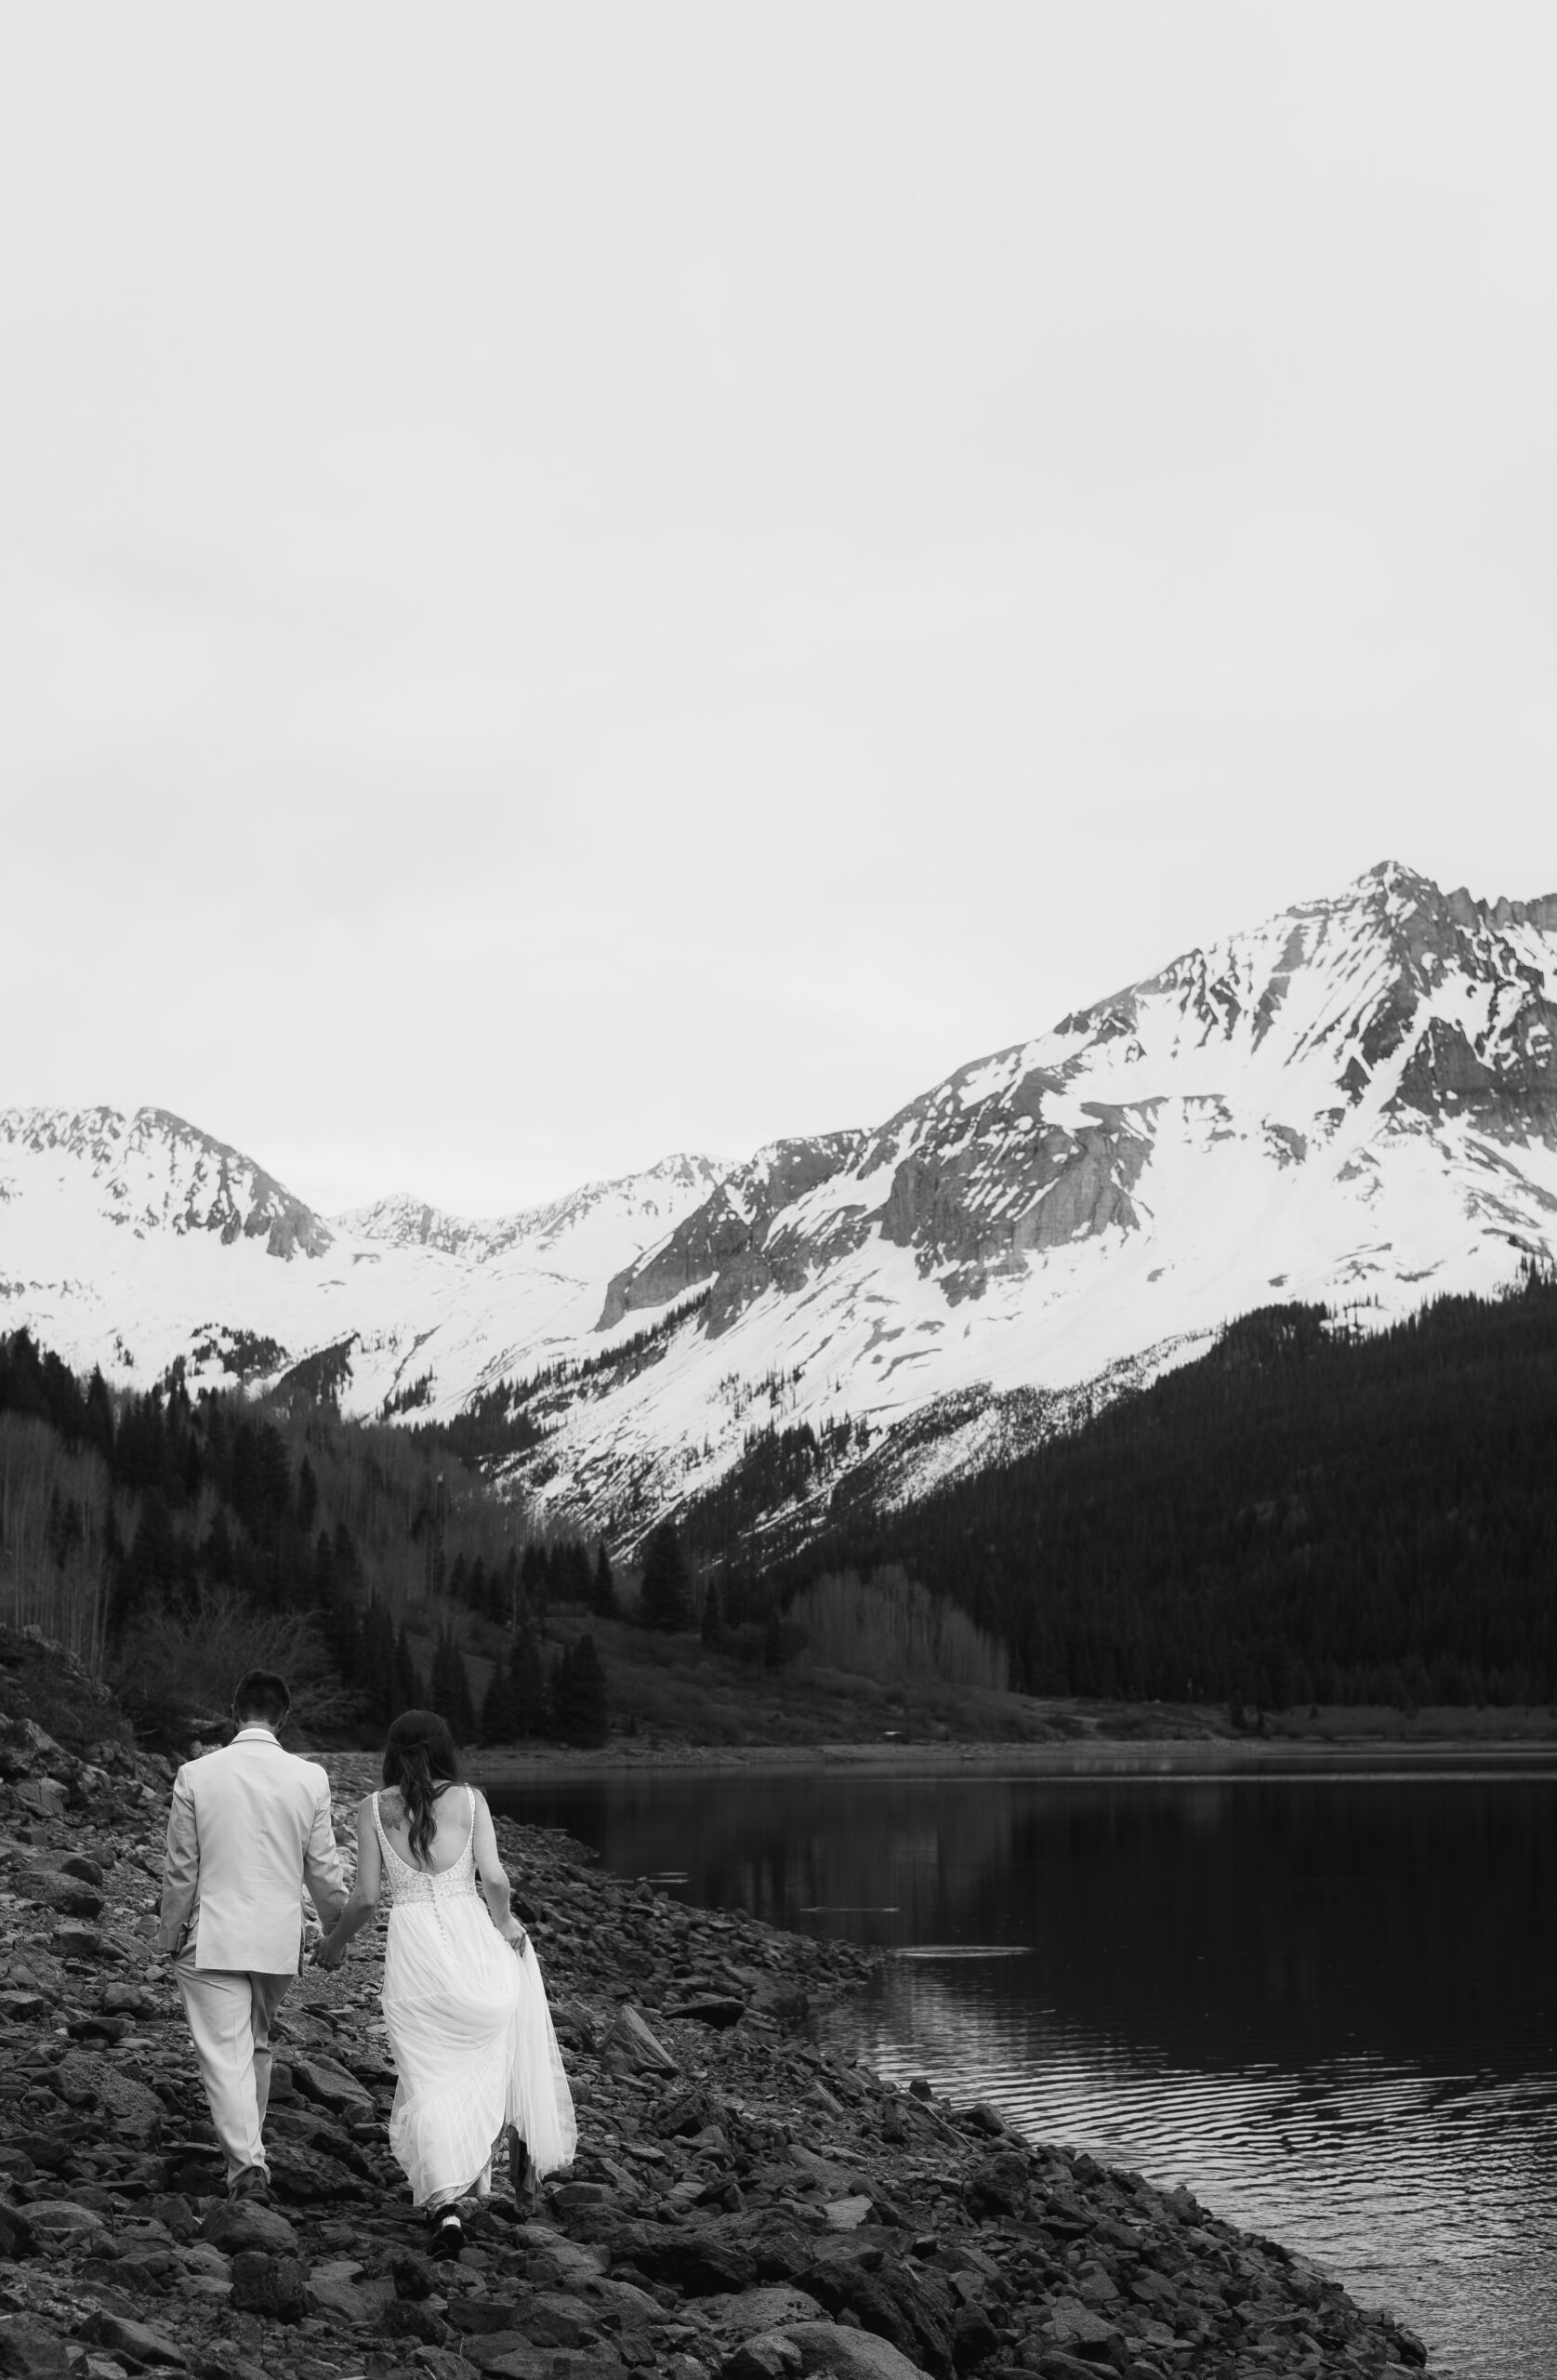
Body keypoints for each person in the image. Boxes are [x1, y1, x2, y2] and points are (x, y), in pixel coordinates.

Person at [313, 1709, 575, 2259]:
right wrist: (504, 1924)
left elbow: (363, 1898)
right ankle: (466, 2180)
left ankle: (446, 2206)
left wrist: (334, 1946)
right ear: (445, 1748)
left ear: (392, 1750)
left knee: (426, 2076)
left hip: (415, 1957)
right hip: (471, 1943)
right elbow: (496, 1880)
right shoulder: (471, 1800)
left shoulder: (372, 1808)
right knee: (481, 2057)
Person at [157, 1668, 348, 2202]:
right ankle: (250, 2152)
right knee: (255, 2045)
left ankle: (246, 2171)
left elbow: (181, 1869)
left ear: (233, 1712)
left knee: (225, 2051)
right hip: (277, 1940)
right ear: (283, 1717)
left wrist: (169, 1932)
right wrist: (336, 1932)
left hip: (212, 1934)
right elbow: (325, 1871)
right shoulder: (311, 1778)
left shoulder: (196, 1774)